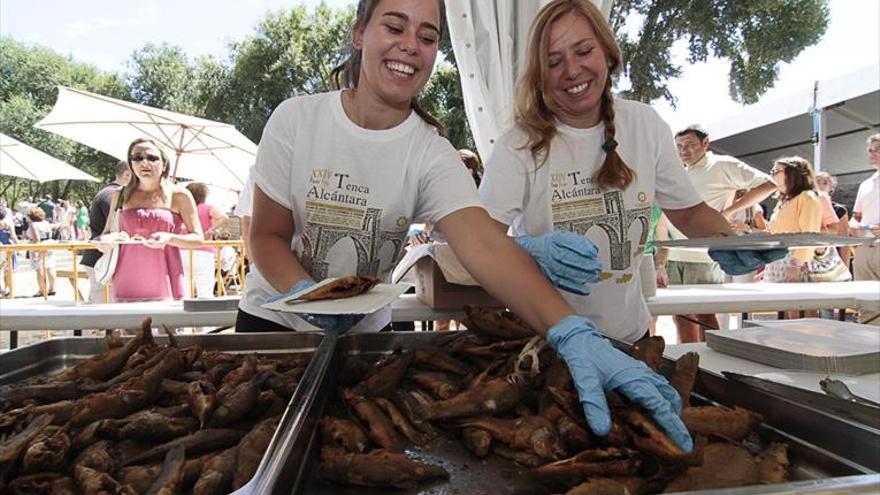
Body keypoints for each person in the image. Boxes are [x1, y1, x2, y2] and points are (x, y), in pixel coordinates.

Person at [238, 0, 696, 452]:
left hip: (363, 339)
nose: (410, 46)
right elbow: (266, 236)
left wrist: (570, 331)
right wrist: (311, 298)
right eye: (394, 27)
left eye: (427, 36)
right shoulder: (297, 119)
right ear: (360, 34)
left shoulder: (430, 151)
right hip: (274, 327)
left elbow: (484, 247)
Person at [478, 0, 785, 345]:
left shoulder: (644, 125)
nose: (572, 70)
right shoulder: (519, 143)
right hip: (547, 340)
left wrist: (728, 241)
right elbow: (481, 246)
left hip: (630, 337)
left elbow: (689, 212)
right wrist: (530, 248)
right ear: (539, 75)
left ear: (607, 54)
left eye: (583, 51)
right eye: (554, 62)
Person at [659, 125, 776, 342]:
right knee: (680, 315)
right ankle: (689, 362)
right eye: (680, 146)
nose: (684, 150)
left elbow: (769, 184)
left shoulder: (722, 165)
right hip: (677, 253)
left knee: (704, 313)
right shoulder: (680, 171)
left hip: (705, 254)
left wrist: (730, 211)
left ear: (705, 143)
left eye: (690, 145)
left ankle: (711, 365)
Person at [95, 139, 204, 302]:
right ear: (131, 164)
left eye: (152, 158)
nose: (144, 163)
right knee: (128, 327)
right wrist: (105, 241)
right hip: (126, 283)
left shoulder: (179, 195)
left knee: (168, 327)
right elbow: (105, 235)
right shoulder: (120, 194)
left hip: (167, 281)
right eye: (137, 158)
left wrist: (170, 238)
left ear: (164, 164)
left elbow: (198, 239)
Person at [759, 157, 823, 285]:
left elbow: (809, 235)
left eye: (776, 171)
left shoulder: (807, 197)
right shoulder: (783, 202)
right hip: (777, 261)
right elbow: (775, 231)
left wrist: (796, 266)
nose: (772, 174)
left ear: (792, 173)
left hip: (795, 262)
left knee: (796, 303)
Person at [81, 161, 131, 303]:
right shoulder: (111, 195)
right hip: (103, 260)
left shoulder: (107, 193)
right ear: (127, 174)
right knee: (102, 313)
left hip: (104, 258)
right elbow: (119, 224)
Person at [850, 133, 880, 324]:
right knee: (867, 304)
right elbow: (856, 216)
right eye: (870, 150)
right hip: (864, 249)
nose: (873, 153)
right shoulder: (865, 184)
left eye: (878, 149)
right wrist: (853, 226)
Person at [182, 182, 229, 298]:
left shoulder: (182, 208)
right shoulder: (207, 207)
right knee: (205, 289)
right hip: (203, 249)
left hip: (182, 249)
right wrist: (210, 230)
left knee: (184, 288)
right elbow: (223, 217)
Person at [25, 207, 57, 297]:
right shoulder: (46, 223)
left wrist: (34, 249)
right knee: (50, 266)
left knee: (40, 268)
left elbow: (36, 238)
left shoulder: (33, 225)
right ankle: (52, 288)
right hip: (48, 243)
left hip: (38, 246)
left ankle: (42, 289)